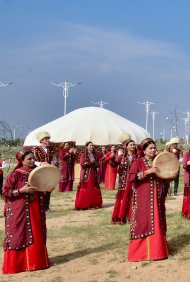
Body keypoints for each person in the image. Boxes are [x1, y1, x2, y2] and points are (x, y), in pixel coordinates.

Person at [122, 138, 176, 262]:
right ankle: (140, 254)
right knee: (143, 222)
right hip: (143, 199)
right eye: (150, 148)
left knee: (158, 220)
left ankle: (158, 252)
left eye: (154, 148)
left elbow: (163, 178)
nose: (153, 150)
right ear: (144, 150)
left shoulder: (159, 161)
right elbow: (130, 178)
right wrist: (147, 171)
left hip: (157, 199)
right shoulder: (138, 162)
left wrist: (170, 177)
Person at [2, 151, 51, 274]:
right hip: (19, 210)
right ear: (22, 160)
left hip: (35, 209)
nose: (32, 161)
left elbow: (40, 189)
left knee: (37, 233)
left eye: (33, 158)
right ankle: (19, 265)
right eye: (29, 159)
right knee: (19, 234)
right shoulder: (15, 175)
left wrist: (47, 189)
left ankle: (37, 263)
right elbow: (5, 192)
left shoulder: (37, 172)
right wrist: (21, 190)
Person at [111, 134, 137, 224]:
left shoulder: (137, 156)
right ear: (126, 146)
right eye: (131, 145)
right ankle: (121, 216)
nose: (133, 146)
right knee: (122, 199)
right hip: (124, 181)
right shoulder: (121, 157)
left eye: (134, 145)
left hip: (134, 181)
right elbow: (114, 164)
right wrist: (112, 157)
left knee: (133, 198)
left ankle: (132, 217)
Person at [75, 141, 102, 209]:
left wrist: (94, 162)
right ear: (87, 147)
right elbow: (82, 165)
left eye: (92, 145)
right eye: (90, 145)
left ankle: (94, 203)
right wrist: (90, 162)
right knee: (86, 189)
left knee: (93, 188)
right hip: (86, 175)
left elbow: (98, 164)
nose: (91, 147)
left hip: (94, 175)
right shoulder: (83, 154)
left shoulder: (95, 154)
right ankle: (85, 204)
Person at [34, 131, 57, 211]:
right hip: (40, 172)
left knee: (49, 188)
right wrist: (40, 163)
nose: (48, 141)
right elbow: (33, 161)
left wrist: (54, 162)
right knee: (41, 189)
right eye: (46, 139)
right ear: (41, 141)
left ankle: (46, 206)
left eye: (48, 139)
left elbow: (54, 158)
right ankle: (41, 207)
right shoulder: (36, 149)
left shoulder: (51, 149)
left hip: (49, 172)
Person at [181, 150, 190, 219]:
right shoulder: (187, 154)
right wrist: (188, 163)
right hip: (189, 178)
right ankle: (187, 213)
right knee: (188, 197)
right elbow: (184, 166)